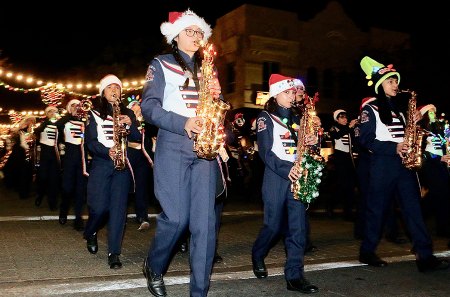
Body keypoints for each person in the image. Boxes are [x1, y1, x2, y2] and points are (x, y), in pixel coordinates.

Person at [140, 9, 226, 297]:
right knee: (176, 218)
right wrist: (183, 122)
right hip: (174, 144)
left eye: (199, 32)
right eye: (190, 31)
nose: (196, 36)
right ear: (174, 36)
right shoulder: (160, 64)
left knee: (205, 225)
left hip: (205, 149)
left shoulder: (207, 70)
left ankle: (199, 292)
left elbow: (218, 107)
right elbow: (149, 108)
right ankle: (154, 265)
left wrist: (218, 96)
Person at [357, 56, 449, 272]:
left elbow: (406, 136)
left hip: (403, 166)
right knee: (377, 210)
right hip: (382, 165)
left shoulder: (399, 111)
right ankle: (367, 251)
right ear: (381, 86)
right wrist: (393, 147)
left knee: (413, 209)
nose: (395, 85)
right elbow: (366, 140)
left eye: (396, 81)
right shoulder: (370, 110)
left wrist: (415, 124)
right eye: (390, 82)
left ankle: (425, 256)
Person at [251, 73, 319, 294]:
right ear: (275, 95)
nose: (292, 96)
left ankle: (294, 276)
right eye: (287, 92)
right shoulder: (265, 118)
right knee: (273, 225)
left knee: (298, 228)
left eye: (293, 92)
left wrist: (313, 142)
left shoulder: (300, 119)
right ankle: (258, 253)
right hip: (276, 177)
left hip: (298, 177)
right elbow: (265, 152)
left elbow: (307, 151)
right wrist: (286, 169)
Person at [83, 74, 141, 269]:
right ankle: (90, 231)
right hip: (101, 163)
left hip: (122, 166)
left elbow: (138, 140)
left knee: (118, 210)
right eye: (110, 87)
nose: (114, 90)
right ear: (103, 92)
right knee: (99, 208)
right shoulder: (94, 113)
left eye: (117, 87)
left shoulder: (128, 113)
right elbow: (90, 142)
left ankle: (113, 252)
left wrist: (131, 125)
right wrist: (106, 151)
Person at [417, 104, 450, 238]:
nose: (434, 114)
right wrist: (438, 158)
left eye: (434, 112)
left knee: (443, 196)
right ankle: (418, 219)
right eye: (431, 112)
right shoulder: (422, 130)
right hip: (430, 166)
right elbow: (421, 154)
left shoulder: (440, 129)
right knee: (436, 196)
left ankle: (443, 228)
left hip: (442, 166)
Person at [55, 99, 89, 231]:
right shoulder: (65, 121)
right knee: (67, 188)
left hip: (82, 157)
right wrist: (70, 114)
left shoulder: (85, 121)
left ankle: (78, 217)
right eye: (73, 105)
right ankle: (63, 211)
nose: (77, 107)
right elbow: (58, 125)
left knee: (81, 189)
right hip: (69, 157)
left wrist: (85, 116)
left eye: (78, 105)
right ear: (69, 108)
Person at [127, 99, 154, 231]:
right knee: (126, 185)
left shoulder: (146, 121)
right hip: (130, 154)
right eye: (134, 106)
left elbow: (150, 134)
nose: (138, 107)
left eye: (138, 105)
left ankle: (142, 216)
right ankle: (120, 215)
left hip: (143, 156)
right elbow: (133, 135)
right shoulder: (128, 120)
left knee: (142, 186)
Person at [329, 109, 358, 221]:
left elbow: (354, 142)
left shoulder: (349, 129)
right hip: (339, 158)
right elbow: (337, 136)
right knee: (341, 185)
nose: (345, 119)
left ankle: (348, 212)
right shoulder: (333, 128)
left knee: (350, 186)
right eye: (342, 117)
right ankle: (331, 206)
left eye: (345, 117)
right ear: (337, 119)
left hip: (349, 158)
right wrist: (349, 127)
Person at [34, 105, 62, 210]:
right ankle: (40, 195)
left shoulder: (59, 124)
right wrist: (48, 122)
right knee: (43, 177)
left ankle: (52, 202)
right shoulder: (44, 124)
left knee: (54, 179)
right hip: (45, 152)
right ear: (46, 114)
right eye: (50, 112)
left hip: (55, 153)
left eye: (54, 112)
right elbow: (36, 132)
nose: (52, 113)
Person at [2, 115, 36, 199]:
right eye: (30, 121)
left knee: (25, 172)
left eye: (32, 121)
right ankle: (23, 192)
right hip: (21, 154)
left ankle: (23, 190)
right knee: (23, 172)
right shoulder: (22, 130)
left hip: (26, 153)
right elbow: (19, 139)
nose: (31, 123)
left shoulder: (30, 131)